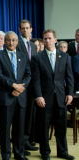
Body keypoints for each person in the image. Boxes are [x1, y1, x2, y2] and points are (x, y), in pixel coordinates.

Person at [31, 29, 74, 160]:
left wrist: (70, 94)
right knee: (44, 127)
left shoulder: (65, 56)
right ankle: (45, 152)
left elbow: (69, 77)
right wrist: (38, 96)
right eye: (45, 38)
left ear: (55, 40)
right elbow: (35, 80)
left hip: (61, 98)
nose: (47, 41)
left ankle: (62, 151)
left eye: (49, 38)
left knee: (61, 127)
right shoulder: (37, 57)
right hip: (44, 98)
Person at [0, 31, 31, 160]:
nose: (11, 42)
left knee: (19, 129)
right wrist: (14, 85)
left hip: (20, 98)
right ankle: (6, 155)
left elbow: (28, 75)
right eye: (8, 40)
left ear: (17, 41)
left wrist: (20, 89)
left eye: (13, 40)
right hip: (5, 98)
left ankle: (19, 154)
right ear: (4, 41)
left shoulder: (23, 56)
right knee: (4, 129)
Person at [16, 19, 38, 155]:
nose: (25, 30)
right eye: (22, 28)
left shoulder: (34, 46)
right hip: (21, 85)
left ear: (31, 29)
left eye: (27, 28)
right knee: (20, 116)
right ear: (19, 30)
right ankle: (20, 144)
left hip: (32, 86)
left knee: (30, 114)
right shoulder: (16, 43)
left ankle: (26, 140)